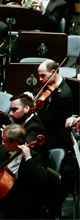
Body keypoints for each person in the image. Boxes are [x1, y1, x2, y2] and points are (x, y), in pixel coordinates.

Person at [25, 59, 75, 202]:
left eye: (43, 76)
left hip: (55, 137)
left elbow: (47, 120)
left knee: (31, 152)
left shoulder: (64, 95)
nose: (40, 79)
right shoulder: (50, 86)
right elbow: (38, 94)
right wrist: (29, 94)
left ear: (53, 73)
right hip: (46, 130)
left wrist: (33, 113)